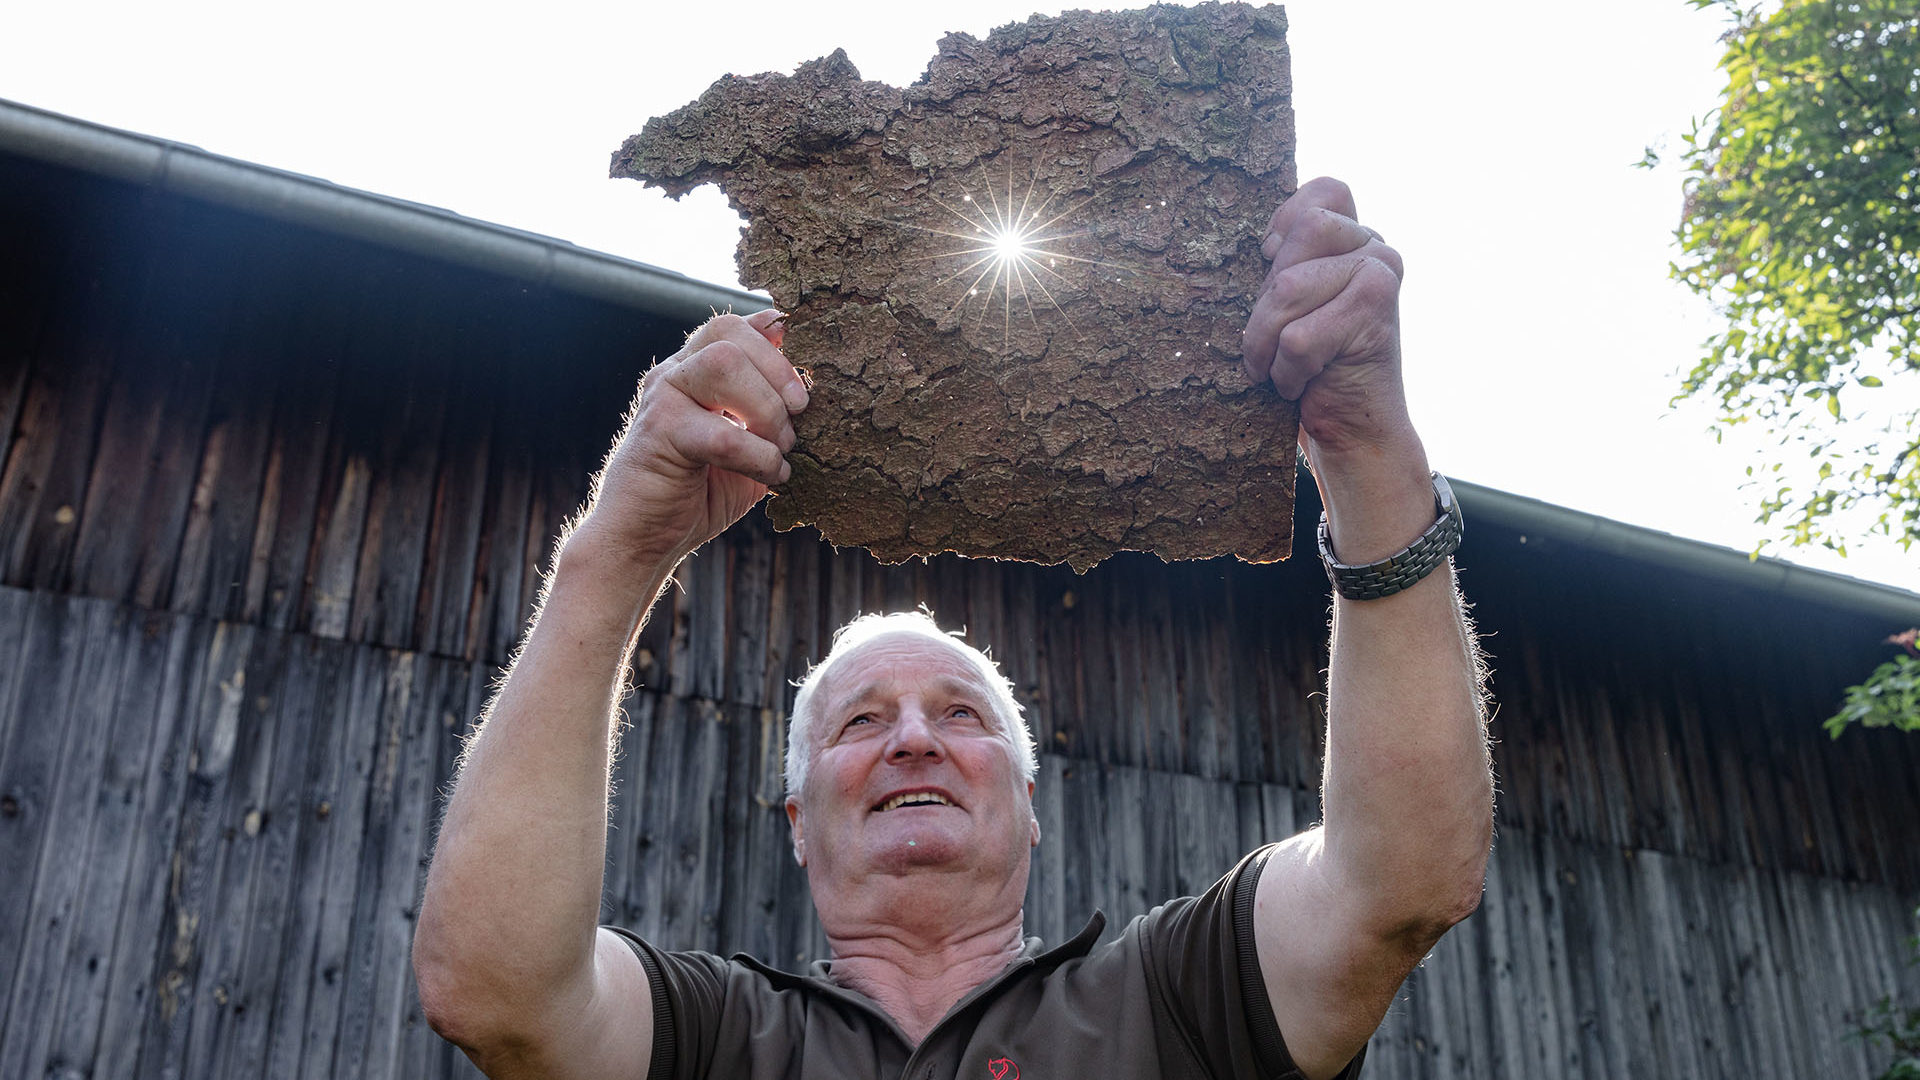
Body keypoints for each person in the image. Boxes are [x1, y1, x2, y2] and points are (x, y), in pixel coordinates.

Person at [412, 177, 1494, 1080]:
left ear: (1027, 806)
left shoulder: (1176, 997)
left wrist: (1365, 446)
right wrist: (612, 557)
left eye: (959, 713)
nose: (912, 739)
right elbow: (494, 993)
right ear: (797, 820)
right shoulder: (710, 1038)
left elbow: (1398, 881)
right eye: (859, 723)